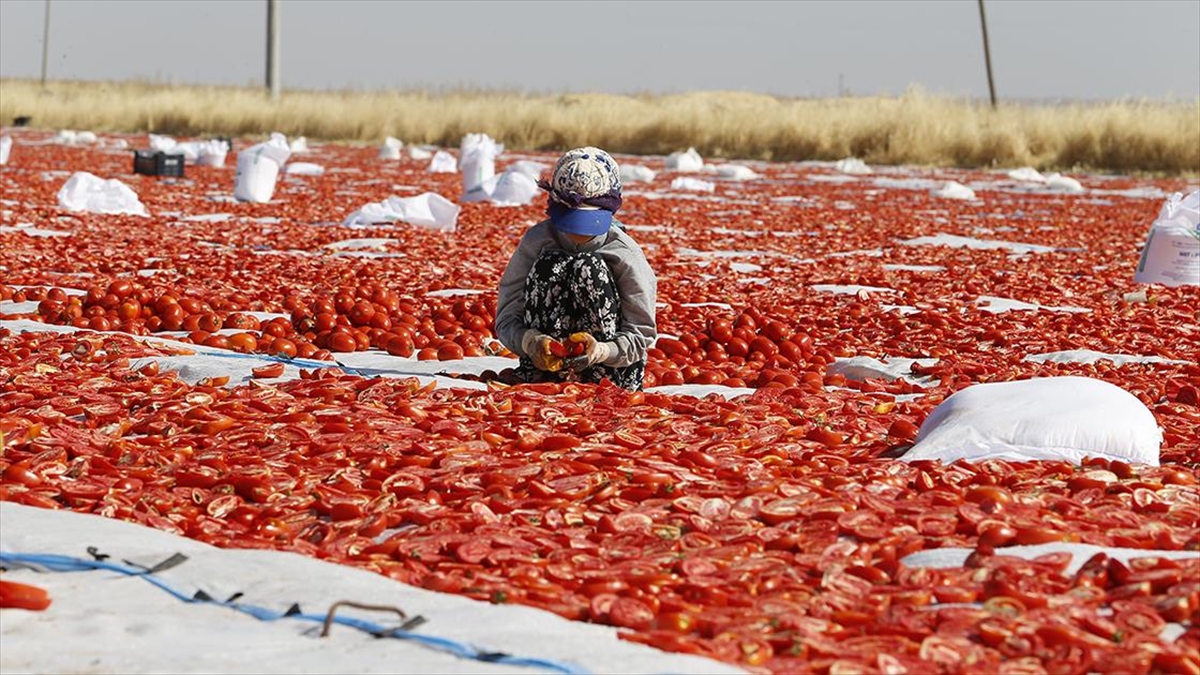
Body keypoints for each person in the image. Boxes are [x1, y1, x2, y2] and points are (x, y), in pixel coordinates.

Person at [494, 147, 657, 391]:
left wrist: (601, 351)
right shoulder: (537, 241)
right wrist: (531, 342)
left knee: (588, 266)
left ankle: (599, 373)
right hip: (545, 372)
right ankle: (544, 370)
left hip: (611, 378)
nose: (579, 232)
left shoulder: (624, 252)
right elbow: (507, 315)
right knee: (551, 263)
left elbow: (641, 335)